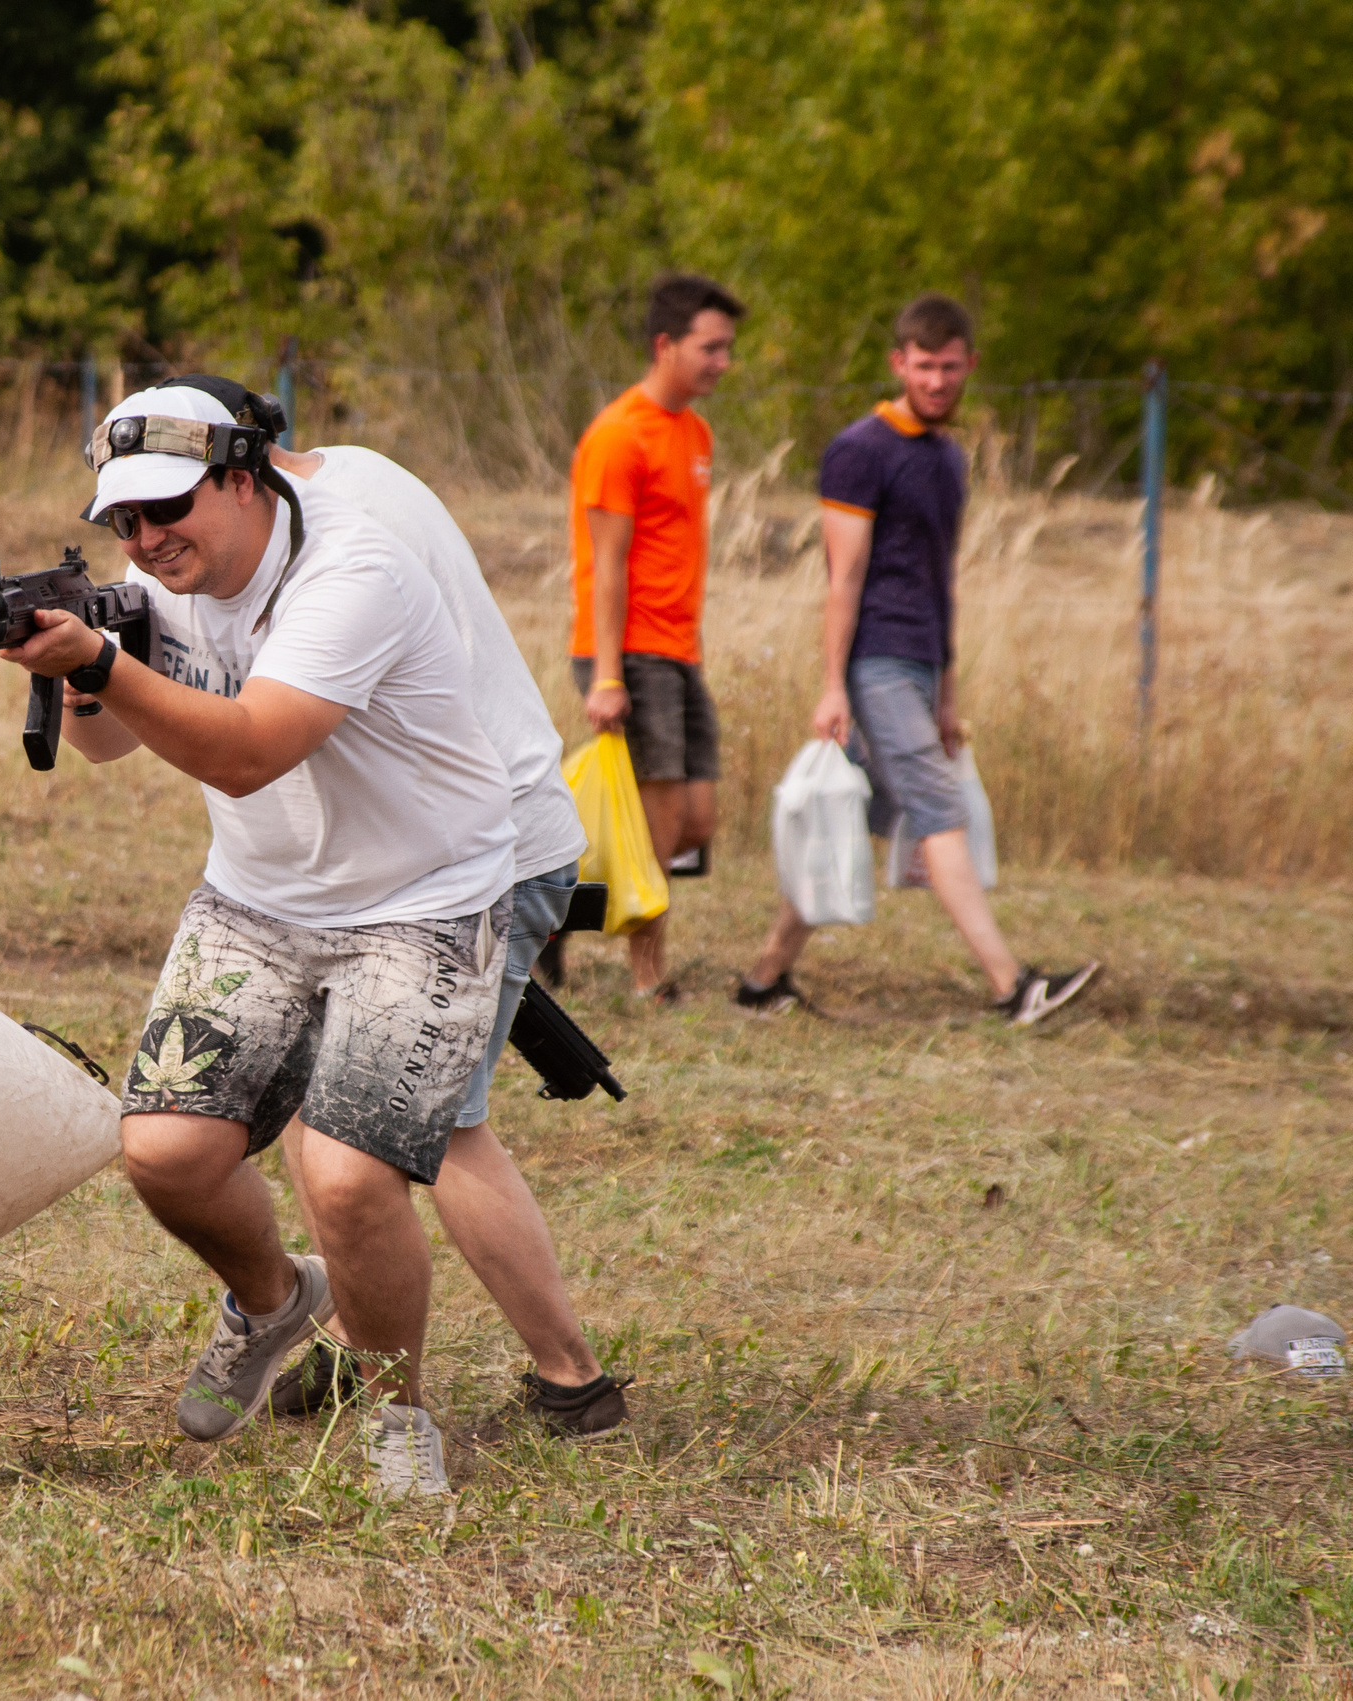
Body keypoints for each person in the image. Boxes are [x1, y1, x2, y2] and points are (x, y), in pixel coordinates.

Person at [0, 384, 521, 1497]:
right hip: (258, 899)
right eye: (123, 523)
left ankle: (398, 1416)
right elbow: (102, 752)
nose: (146, 540)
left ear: (246, 476)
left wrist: (95, 663)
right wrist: (80, 674)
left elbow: (249, 752)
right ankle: (276, 1303)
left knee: (345, 1178)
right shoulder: (153, 582)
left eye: (169, 508)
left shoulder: (352, 571)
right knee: (164, 1156)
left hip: (421, 900)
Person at [232, 412, 625, 1438]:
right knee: (333, 1114)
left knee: (427, 1128)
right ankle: (358, 1347)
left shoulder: (330, 534)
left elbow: (276, 725)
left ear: (239, 474)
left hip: (469, 852)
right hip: (452, 845)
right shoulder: (355, 470)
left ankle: (571, 1380)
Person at [737, 295, 1100, 1025]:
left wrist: (948, 693)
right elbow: (843, 577)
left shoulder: (947, 458)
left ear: (970, 366)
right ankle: (1012, 986)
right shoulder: (859, 451)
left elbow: (942, 580)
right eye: (924, 366)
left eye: (950, 366)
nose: (937, 380)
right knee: (941, 806)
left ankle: (762, 981)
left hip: (920, 664)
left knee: (862, 814)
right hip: (872, 661)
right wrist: (832, 685)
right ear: (900, 363)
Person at [555, 274, 742, 1000]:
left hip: (679, 650)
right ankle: (647, 978)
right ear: (665, 345)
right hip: (628, 650)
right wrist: (606, 675)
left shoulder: (695, 432)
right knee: (660, 821)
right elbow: (605, 566)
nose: (724, 361)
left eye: (728, 347)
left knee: (694, 819)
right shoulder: (618, 435)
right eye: (711, 347)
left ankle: (553, 913)